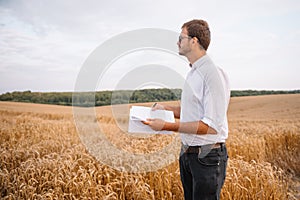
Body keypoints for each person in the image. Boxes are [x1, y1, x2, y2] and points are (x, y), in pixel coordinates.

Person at [143, 19, 230, 199]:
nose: (177, 42)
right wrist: (165, 108)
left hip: (207, 157)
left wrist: (166, 126)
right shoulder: (193, 73)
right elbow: (191, 112)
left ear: (194, 41)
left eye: (181, 37)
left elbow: (210, 126)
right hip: (188, 155)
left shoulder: (213, 74)